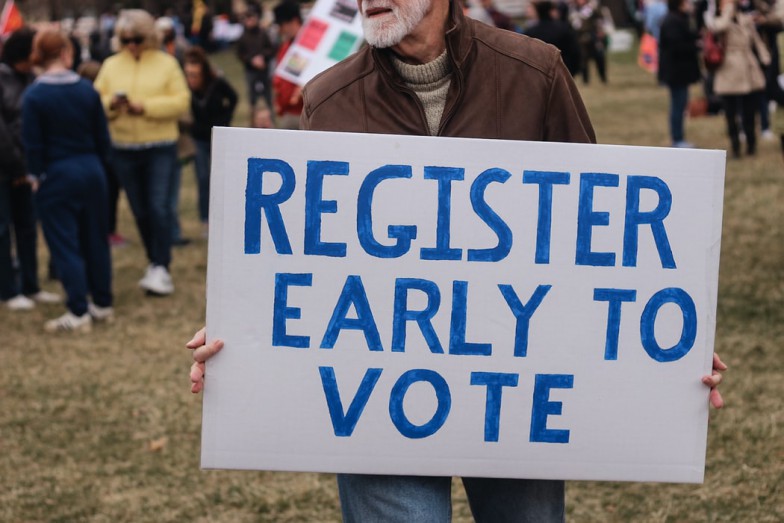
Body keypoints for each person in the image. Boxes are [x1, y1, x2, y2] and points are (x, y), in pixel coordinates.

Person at [187, 0, 729, 520]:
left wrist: (664, 358)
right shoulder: (329, 99)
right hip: (376, 398)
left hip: (516, 394)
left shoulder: (534, 73)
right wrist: (243, 329)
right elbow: (307, 253)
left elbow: (595, 240)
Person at [21, 30, 114, 333]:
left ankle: (78, 310)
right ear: (65, 52)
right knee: (95, 238)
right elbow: (103, 138)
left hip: (57, 173)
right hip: (92, 170)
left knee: (65, 244)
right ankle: (102, 302)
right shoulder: (87, 90)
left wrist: (35, 176)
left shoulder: (35, 95)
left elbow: (32, 145)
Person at [94, 9, 190, 296]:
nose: (131, 44)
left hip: (160, 146)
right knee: (140, 210)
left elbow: (181, 102)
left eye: (136, 38)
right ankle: (154, 261)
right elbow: (93, 101)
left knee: (159, 206)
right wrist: (112, 103)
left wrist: (144, 107)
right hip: (123, 148)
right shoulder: (111, 65)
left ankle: (161, 266)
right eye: (125, 39)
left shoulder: (166, 64)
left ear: (148, 37)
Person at [0, 28, 61, 311]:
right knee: (3, 229)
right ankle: (8, 290)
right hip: (5, 168)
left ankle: (30, 285)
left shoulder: (34, 80)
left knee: (27, 228)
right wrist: (15, 167)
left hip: (27, 169)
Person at [183, 46, 238, 236]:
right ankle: (205, 220)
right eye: (188, 75)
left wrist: (225, 119)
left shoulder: (217, 83)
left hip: (217, 136)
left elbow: (234, 98)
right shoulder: (185, 87)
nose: (192, 80)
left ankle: (223, 217)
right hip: (198, 138)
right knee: (203, 177)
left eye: (195, 75)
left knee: (221, 177)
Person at [708, 0, 770, 157]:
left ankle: (751, 143)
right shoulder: (717, 18)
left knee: (750, 109)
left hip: (747, 67)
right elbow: (718, 27)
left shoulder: (744, 17)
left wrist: (764, 57)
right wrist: (728, 11)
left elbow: (755, 39)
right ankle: (735, 145)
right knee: (731, 112)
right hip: (729, 69)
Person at [658, 0, 702, 148]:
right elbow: (675, 46)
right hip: (676, 73)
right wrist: (695, 46)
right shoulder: (672, 21)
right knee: (678, 105)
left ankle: (679, 137)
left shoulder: (679, 19)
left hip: (679, 73)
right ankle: (677, 138)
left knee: (680, 104)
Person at [236, 3, 276, 118]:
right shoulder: (242, 37)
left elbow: (271, 49)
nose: (249, 21)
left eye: (251, 17)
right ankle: (253, 120)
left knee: (268, 96)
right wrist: (251, 60)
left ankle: (270, 118)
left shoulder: (263, 33)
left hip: (264, 69)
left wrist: (263, 57)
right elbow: (240, 54)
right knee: (252, 98)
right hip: (251, 71)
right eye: (247, 18)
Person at [525, 0, 582, 76]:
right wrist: (573, 72)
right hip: (563, 71)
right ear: (551, 11)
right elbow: (575, 53)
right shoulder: (564, 29)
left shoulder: (530, 32)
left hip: (539, 73)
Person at [271, 1, 304, 130]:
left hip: (302, 113)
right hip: (287, 112)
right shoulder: (286, 47)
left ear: (294, 21)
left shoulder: (307, 46)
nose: (279, 30)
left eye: (281, 25)